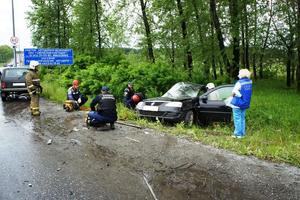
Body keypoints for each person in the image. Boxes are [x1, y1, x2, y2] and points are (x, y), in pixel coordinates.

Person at [230, 69, 252, 139]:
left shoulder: (239, 82)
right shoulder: (250, 82)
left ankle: (237, 134)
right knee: (242, 118)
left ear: (242, 74)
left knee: (237, 119)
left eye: (239, 73)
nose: (238, 75)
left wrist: (240, 95)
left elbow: (234, 91)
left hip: (237, 104)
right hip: (245, 103)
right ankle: (242, 134)